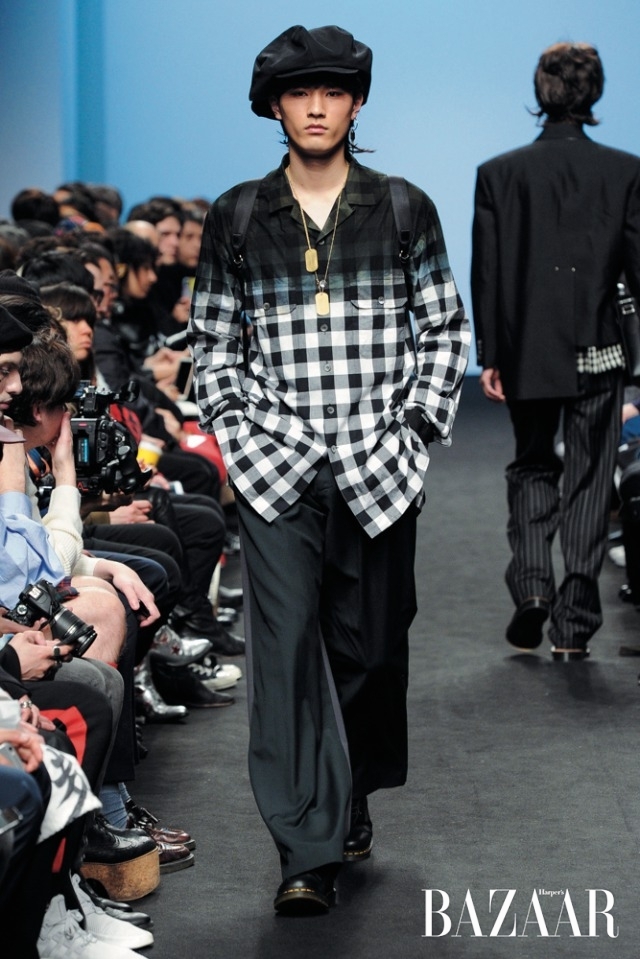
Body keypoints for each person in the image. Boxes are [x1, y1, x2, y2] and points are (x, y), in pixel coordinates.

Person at [188, 24, 469, 915]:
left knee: (371, 652)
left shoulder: (404, 208)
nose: (316, 107)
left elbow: (445, 329)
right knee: (284, 657)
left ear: (356, 103)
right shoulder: (238, 215)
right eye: (300, 92)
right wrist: (240, 436)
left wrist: (414, 427)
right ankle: (304, 848)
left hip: (379, 465)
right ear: (274, 105)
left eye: (334, 91)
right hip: (276, 469)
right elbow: (211, 343)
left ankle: (350, 791)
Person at [471, 41, 640, 662]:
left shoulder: (499, 173)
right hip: (600, 346)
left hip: (527, 351)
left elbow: (488, 273)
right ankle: (574, 622)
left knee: (533, 464)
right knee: (592, 478)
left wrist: (491, 353)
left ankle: (533, 585)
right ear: (594, 92)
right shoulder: (625, 171)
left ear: (540, 91)